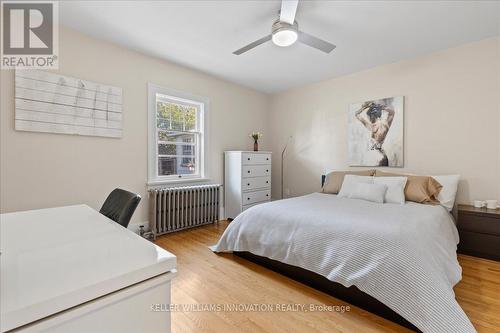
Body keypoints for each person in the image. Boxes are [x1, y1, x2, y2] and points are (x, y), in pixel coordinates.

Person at [355, 100, 395, 166]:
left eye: (369, 117)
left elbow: (357, 114)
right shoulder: (384, 125)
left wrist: (365, 107)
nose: (369, 120)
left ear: (372, 116)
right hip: (379, 156)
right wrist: (380, 107)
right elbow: (392, 113)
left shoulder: (372, 126)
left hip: (378, 157)